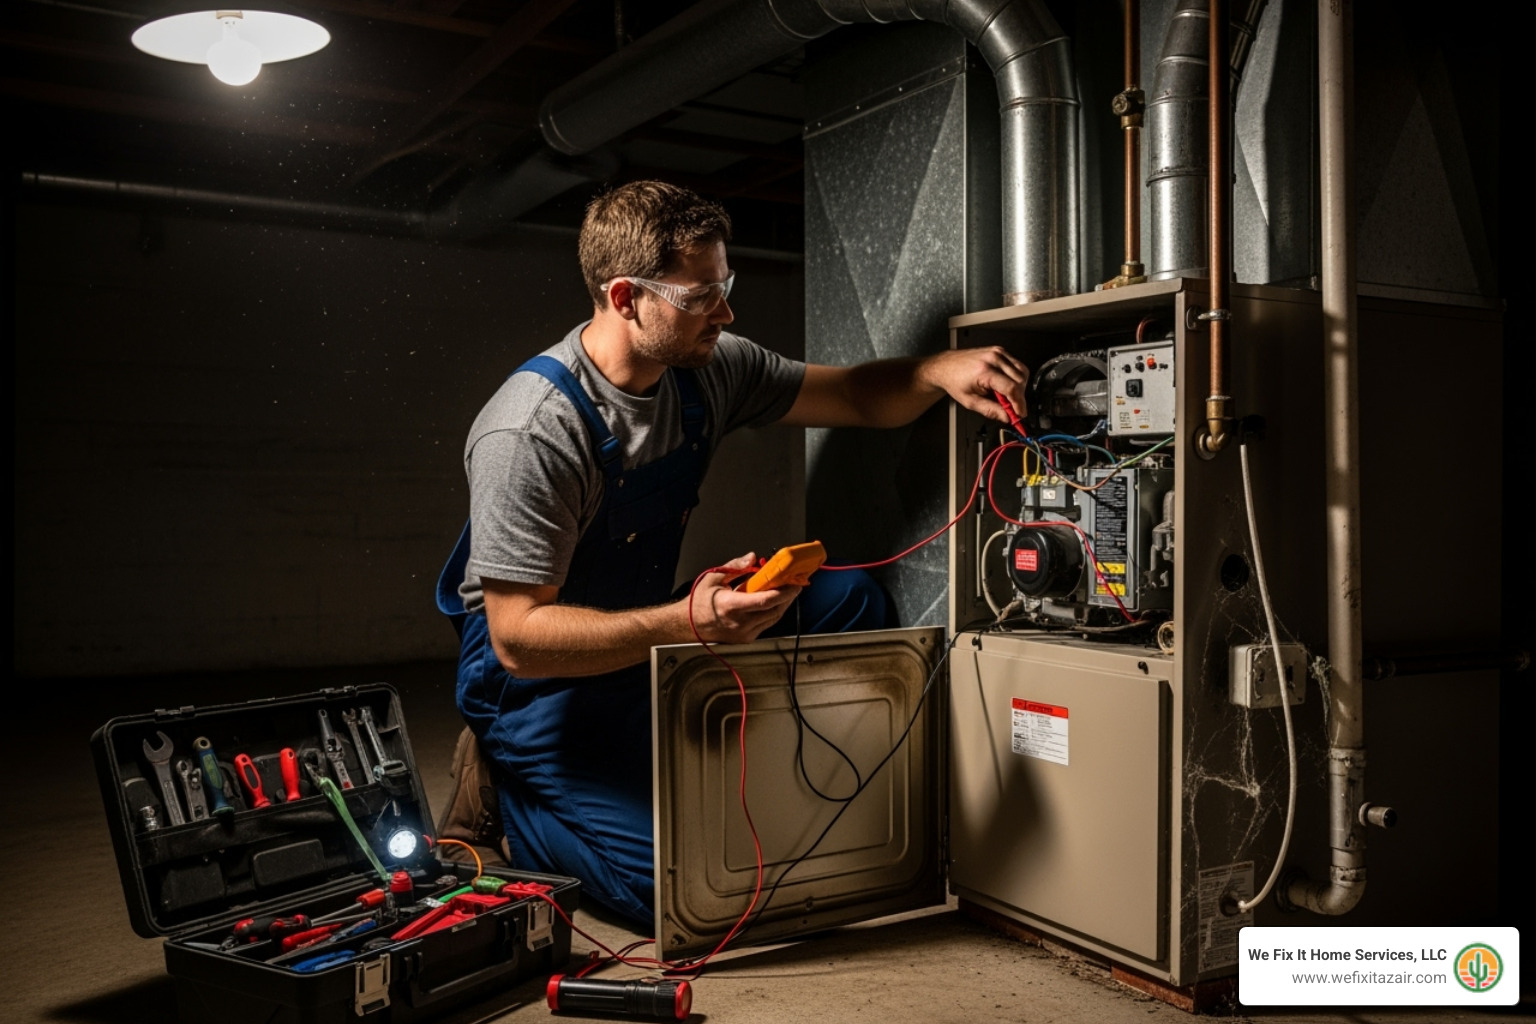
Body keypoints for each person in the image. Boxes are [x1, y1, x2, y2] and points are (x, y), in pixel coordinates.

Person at [437, 180, 1028, 923]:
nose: (726, 311)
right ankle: (509, 798)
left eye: (726, 285)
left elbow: (848, 397)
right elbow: (519, 638)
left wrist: (934, 372)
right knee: (683, 893)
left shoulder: (706, 367)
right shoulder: (532, 432)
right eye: (701, 295)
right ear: (625, 298)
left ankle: (739, 776)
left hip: (645, 638)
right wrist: (688, 622)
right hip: (534, 688)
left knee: (851, 600)